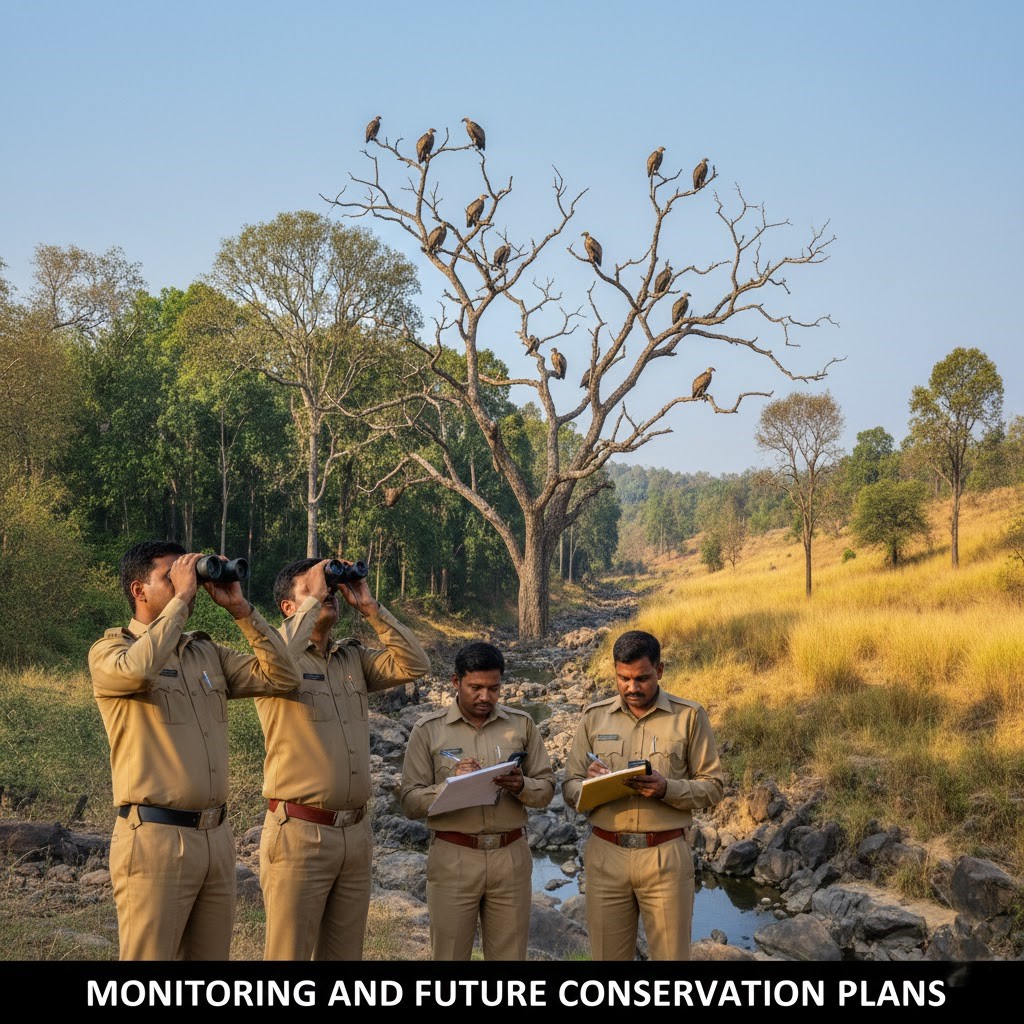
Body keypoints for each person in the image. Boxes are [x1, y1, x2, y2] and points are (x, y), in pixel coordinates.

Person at [89, 541, 303, 961]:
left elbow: (284, 677)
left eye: (187, 573)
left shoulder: (205, 652)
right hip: (155, 838)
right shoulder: (109, 652)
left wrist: (241, 610)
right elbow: (138, 670)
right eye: (170, 576)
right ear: (139, 590)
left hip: (216, 838)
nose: (185, 581)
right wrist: (183, 600)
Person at [256, 556, 431, 960]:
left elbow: (414, 664)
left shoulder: (350, 658)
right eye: (312, 589)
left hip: (355, 833)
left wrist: (372, 609)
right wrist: (316, 597)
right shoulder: (275, 655)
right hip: (299, 832)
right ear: (288, 606)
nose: (326, 594)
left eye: (329, 589)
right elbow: (274, 659)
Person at [562, 629, 725, 961]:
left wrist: (668, 788)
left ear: (660, 671)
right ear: (615, 672)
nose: (631, 687)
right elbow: (569, 788)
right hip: (605, 855)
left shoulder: (689, 717)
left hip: (665, 856)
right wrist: (588, 785)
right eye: (623, 678)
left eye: (641, 678)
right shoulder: (594, 718)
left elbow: (714, 786)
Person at [400, 641, 555, 960]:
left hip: (511, 856)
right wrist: (450, 784)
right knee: (449, 954)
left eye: (494, 688)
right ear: (456, 682)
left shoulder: (521, 724)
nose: (486, 696)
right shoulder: (428, 730)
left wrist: (520, 784)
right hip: (453, 856)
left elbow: (547, 790)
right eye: (476, 687)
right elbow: (410, 802)